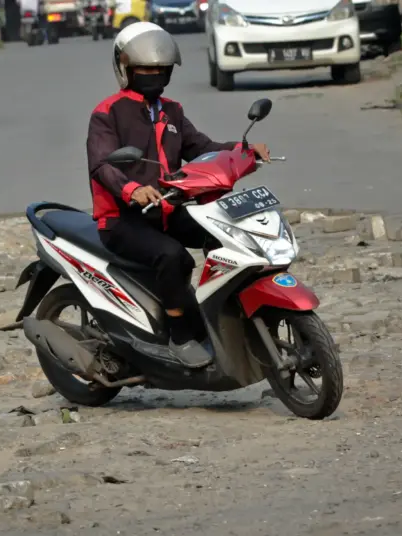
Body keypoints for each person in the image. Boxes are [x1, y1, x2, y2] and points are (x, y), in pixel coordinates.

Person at [86, 22, 270, 368]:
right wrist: (133, 189)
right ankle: (180, 335)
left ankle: (220, 310)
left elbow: (201, 147)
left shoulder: (172, 111)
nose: (154, 74)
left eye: (161, 69)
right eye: (145, 68)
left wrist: (244, 151)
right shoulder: (107, 113)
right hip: (122, 220)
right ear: (126, 69)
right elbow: (102, 165)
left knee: (227, 233)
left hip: (168, 210)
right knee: (174, 257)